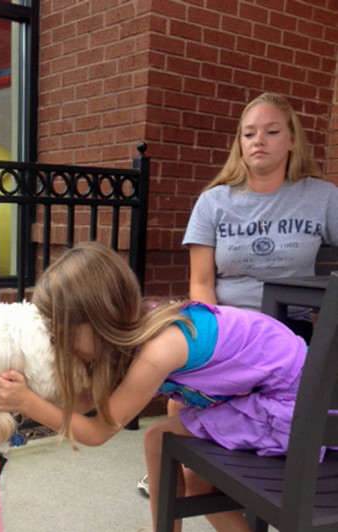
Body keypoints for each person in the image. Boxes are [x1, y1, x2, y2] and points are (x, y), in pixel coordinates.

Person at [0, 242, 308, 532]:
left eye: (63, 332)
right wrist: (27, 394)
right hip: (269, 391)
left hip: (293, 408)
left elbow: (98, 430)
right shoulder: (136, 327)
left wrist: (29, 402)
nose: (59, 343)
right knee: (189, 467)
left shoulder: (157, 351)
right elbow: (90, 401)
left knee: (161, 440)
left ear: (98, 320)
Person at [137, 92, 338, 498]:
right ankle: (184, 464)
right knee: (185, 373)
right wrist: (211, 346)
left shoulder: (323, 197)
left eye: (271, 131)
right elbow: (201, 282)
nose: (258, 140)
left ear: (292, 140)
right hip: (228, 328)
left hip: (291, 332)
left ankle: (219, 476)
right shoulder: (213, 202)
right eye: (249, 134)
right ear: (240, 143)